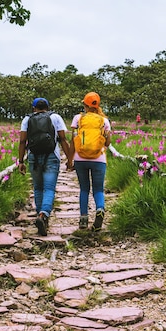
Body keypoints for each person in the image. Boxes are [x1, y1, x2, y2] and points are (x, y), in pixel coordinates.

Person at [18, 98, 72, 236]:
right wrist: (70, 159)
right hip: (52, 156)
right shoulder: (55, 117)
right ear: (48, 107)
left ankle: (40, 216)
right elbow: (63, 139)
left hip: (33, 157)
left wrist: (21, 162)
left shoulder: (27, 119)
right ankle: (43, 215)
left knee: (38, 188)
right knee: (49, 188)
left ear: (33, 108)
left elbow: (23, 141)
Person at [68, 92, 112, 231]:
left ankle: (83, 219)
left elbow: (73, 141)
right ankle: (100, 209)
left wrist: (70, 160)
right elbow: (108, 142)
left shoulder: (78, 118)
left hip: (80, 159)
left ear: (85, 105)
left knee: (84, 189)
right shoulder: (104, 121)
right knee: (98, 189)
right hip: (99, 159)